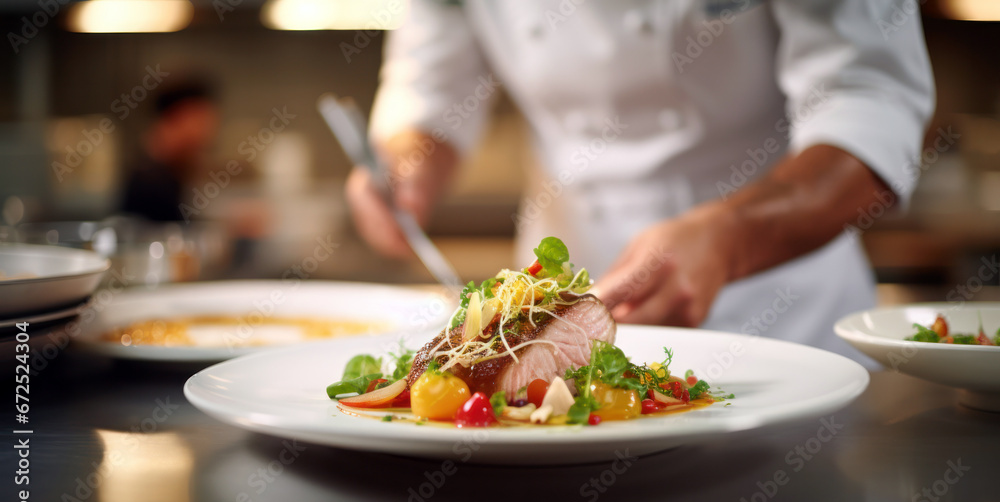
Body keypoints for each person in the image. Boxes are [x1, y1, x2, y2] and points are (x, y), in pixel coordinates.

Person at [346, 0, 935, 356]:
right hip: (554, 306)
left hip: (779, 305)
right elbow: (431, 91)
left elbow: (869, 101)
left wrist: (732, 236)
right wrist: (405, 173)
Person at [119, 79, 219, 222]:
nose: (207, 134)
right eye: (200, 122)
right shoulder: (150, 183)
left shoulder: (167, 173)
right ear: (176, 118)